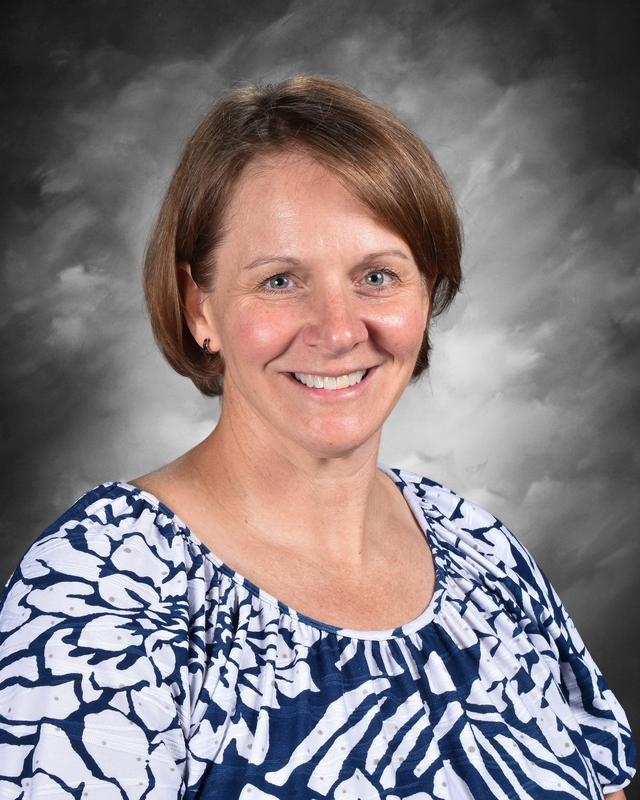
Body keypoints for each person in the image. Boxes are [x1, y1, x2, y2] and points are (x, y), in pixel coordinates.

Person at [0, 75, 634, 799]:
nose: (337, 330)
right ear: (196, 305)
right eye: (278, 281)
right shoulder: (97, 589)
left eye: (376, 275)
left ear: (428, 293)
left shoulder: (482, 554)